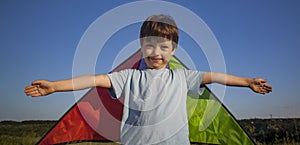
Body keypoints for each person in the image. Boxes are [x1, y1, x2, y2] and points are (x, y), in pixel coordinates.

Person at [24, 14, 272, 145]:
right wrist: (55, 86)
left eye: (164, 47)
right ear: (142, 48)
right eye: (150, 46)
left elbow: (216, 76)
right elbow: (94, 79)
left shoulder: (182, 77)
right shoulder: (128, 77)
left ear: (173, 50)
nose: (156, 52)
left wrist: (248, 81)